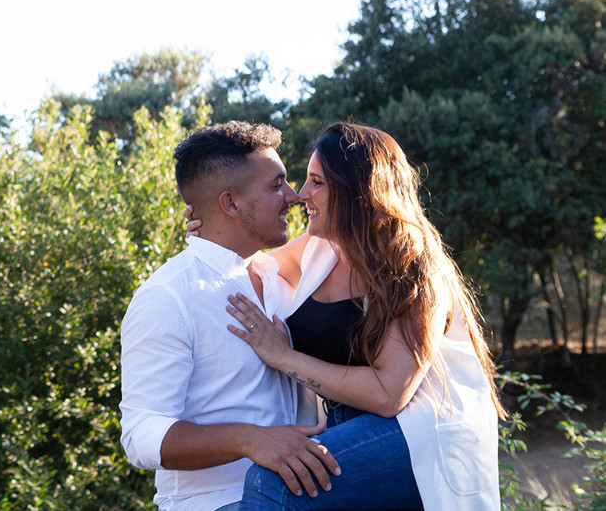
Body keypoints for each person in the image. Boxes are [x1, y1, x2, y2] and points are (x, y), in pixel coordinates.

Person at [220, 121, 504, 509]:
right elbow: (253, 262)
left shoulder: (414, 265)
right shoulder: (321, 248)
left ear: (358, 190)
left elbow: (391, 395)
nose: (303, 195)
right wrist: (212, 224)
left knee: (274, 481)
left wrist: (283, 357)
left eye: (317, 182)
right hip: (345, 424)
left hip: (417, 430)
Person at [120, 121, 341, 511]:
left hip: (302, 497)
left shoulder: (282, 277)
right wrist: (252, 439)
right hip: (217, 502)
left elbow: (359, 224)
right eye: (277, 185)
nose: (293, 197)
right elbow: (141, 435)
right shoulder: (168, 296)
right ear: (231, 204)